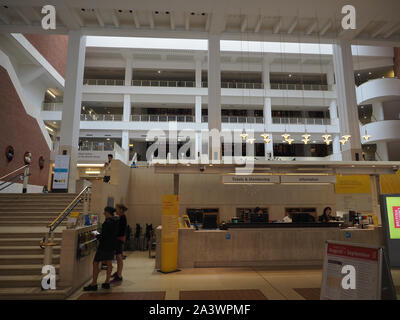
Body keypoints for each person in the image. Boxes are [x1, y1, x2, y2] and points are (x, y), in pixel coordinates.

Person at [84, 207, 119, 291]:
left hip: (104, 246)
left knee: (95, 263)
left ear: (107, 212)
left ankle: (94, 283)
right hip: (112, 245)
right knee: (109, 263)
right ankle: (107, 282)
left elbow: (104, 236)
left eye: (105, 212)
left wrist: (96, 235)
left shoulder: (107, 222)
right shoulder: (116, 221)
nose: (104, 213)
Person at [111, 203, 128, 283]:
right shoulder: (121, 217)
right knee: (118, 256)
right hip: (119, 238)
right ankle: (118, 272)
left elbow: (120, 230)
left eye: (116, 209)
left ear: (121, 210)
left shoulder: (122, 218)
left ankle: (119, 275)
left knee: (119, 256)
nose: (115, 210)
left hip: (119, 238)